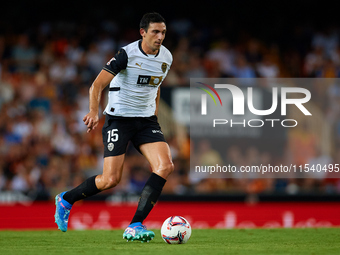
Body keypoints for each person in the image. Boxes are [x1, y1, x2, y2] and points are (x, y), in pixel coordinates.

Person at [54, 12, 174, 243]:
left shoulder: (166, 57)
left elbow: (156, 86)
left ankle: (135, 225)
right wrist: (93, 111)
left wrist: (154, 113)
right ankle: (66, 199)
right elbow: (97, 84)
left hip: (146, 120)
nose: (160, 37)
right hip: (119, 119)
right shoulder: (126, 54)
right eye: (155, 32)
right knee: (111, 179)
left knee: (165, 166)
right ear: (143, 32)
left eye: (163, 32)